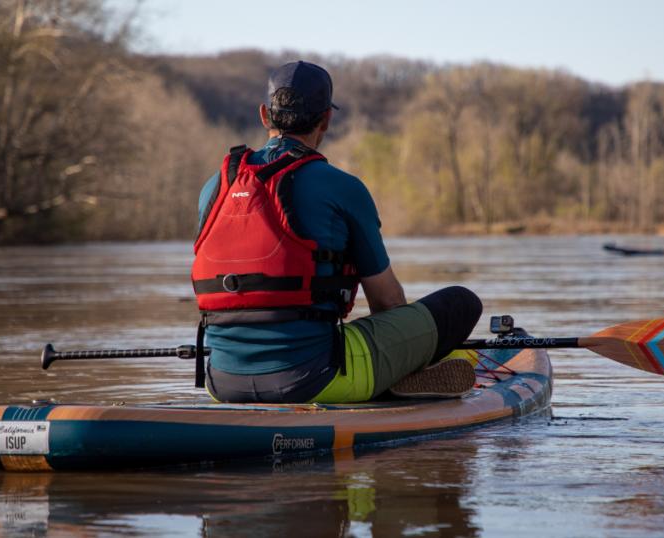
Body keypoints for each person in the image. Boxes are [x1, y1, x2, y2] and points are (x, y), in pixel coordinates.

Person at [191, 61, 482, 404]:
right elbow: (387, 302)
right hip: (314, 380)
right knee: (461, 303)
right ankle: (415, 375)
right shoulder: (343, 188)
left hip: (221, 383)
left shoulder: (214, 187)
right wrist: (406, 356)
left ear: (263, 115)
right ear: (326, 119)